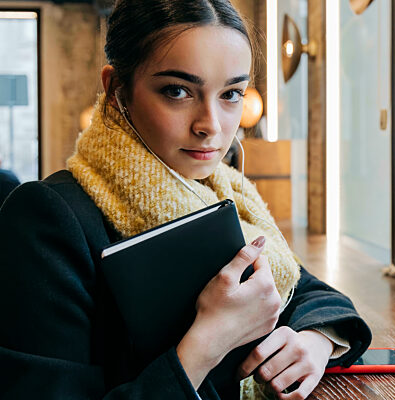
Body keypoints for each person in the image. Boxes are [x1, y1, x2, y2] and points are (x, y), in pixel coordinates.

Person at [0, 1, 371, 399]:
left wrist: (315, 342)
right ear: (116, 90)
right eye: (177, 91)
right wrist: (207, 341)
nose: (210, 124)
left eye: (231, 94)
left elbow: (312, 292)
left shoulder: (223, 194)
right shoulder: (47, 217)